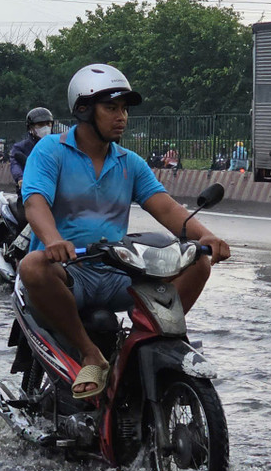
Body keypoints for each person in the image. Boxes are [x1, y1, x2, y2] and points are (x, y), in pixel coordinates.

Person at [17, 64, 230, 399]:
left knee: (197, 261)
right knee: (31, 266)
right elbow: (35, 203)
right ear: (84, 110)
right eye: (111, 108)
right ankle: (91, 354)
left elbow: (166, 207)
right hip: (69, 272)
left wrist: (205, 237)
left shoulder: (130, 162)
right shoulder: (51, 151)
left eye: (125, 110)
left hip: (115, 270)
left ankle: (143, 344)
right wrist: (54, 241)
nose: (122, 117)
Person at [10, 107, 55, 190]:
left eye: (48, 124)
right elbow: (15, 165)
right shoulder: (20, 148)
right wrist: (20, 179)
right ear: (31, 128)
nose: (45, 128)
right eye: (40, 124)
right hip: (31, 190)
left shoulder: (58, 145)